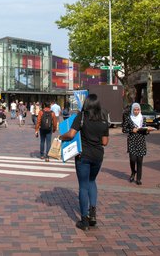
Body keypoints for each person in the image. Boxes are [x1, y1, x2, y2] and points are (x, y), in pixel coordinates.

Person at [58, 94, 109, 231]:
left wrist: (60, 137)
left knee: (83, 186)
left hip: (83, 156)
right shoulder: (103, 118)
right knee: (92, 181)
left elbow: (71, 134)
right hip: (98, 156)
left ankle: (84, 220)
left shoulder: (81, 116)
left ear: (86, 104)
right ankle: (93, 214)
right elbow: (105, 142)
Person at [122, 103, 156, 186]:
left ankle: (138, 178)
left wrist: (147, 131)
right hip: (132, 140)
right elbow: (124, 129)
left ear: (140, 110)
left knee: (140, 161)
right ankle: (133, 172)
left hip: (141, 140)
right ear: (132, 110)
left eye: (138, 110)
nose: (136, 111)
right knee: (132, 159)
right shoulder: (128, 118)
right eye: (135, 110)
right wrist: (131, 130)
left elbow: (144, 130)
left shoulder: (142, 118)